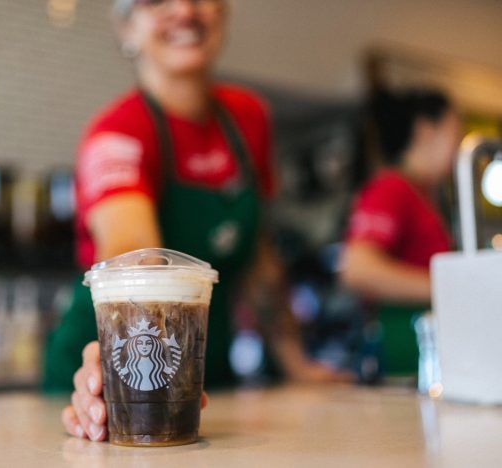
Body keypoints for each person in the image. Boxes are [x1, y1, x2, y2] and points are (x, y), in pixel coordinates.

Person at [45, 0, 349, 442]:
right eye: (156, 1)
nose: (185, 10)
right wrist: (117, 369)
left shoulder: (249, 119)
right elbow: (135, 257)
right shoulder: (115, 132)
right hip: (104, 386)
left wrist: (296, 364)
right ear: (125, 27)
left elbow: (258, 255)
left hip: (204, 373)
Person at [340, 87, 463, 374]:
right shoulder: (392, 189)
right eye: (455, 132)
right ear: (426, 129)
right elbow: (358, 269)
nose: (458, 145)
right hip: (405, 353)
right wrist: (450, 286)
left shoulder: (426, 196)